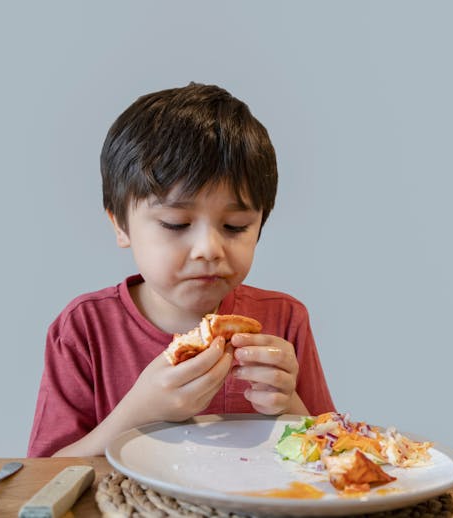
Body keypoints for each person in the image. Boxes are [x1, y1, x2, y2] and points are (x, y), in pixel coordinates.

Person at [27, 83, 335, 457]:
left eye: (235, 226)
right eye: (175, 223)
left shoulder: (284, 320)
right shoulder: (84, 329)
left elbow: (334, 455)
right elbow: (42, 478)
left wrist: (290, 406)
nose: (208, 249)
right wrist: (137, 411)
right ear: (120, 225)